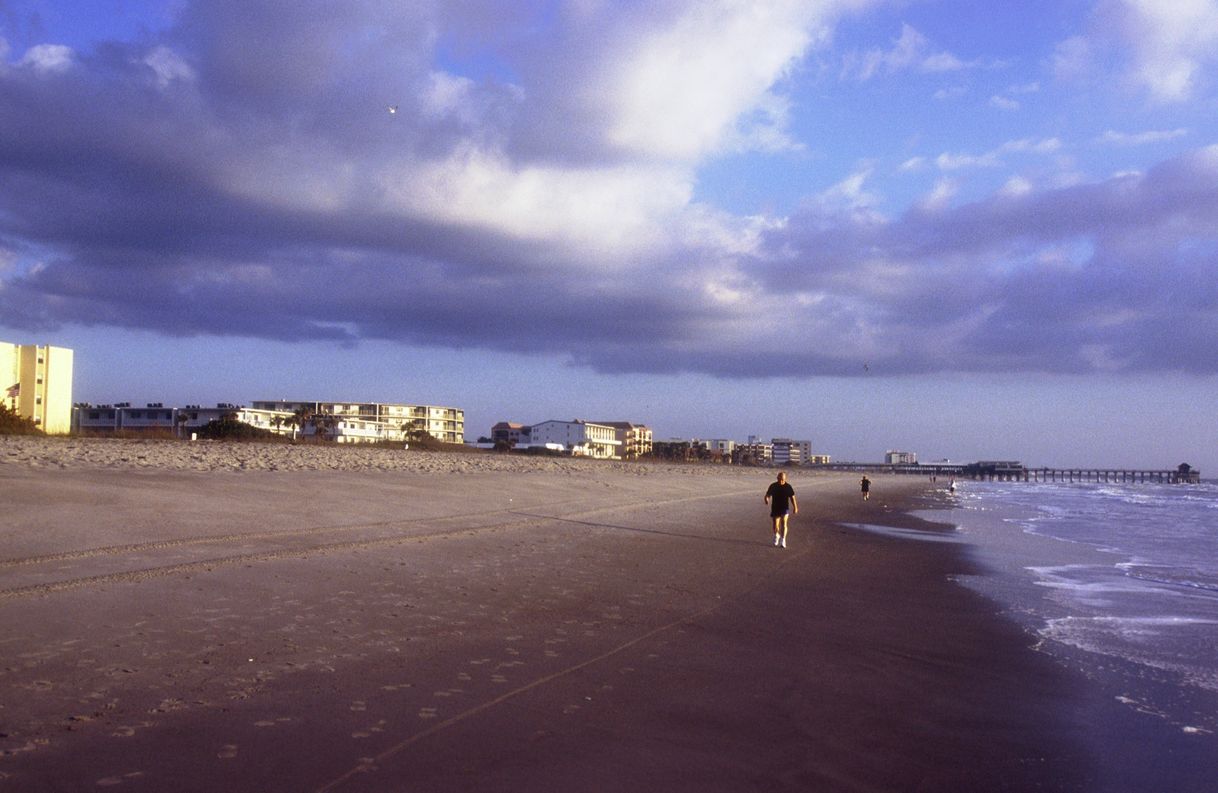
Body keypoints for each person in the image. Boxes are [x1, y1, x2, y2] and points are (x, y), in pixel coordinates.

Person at [764, 471, 798, 548]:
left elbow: (792, 498)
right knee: (775, 525)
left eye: (783, 479)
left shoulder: (788, 487)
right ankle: (777, 535)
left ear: (785, 479)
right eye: (780, 479)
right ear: (777, 478)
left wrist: (795, 507)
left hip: (785, 507)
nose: (781, 481)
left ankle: (783, 540)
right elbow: (767, 495)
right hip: (775, 507)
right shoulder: (773, 486)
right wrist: (766, 499)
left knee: (784, 523)